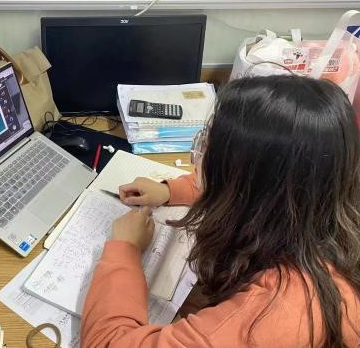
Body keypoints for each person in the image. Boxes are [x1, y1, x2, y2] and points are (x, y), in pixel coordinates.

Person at [81, 76, 360, 347]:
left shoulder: (271, 316)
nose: (201, 155)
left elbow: (107, 343)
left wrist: (125, 248)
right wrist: (170, 190)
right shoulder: (324, 202)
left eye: (211, 148)